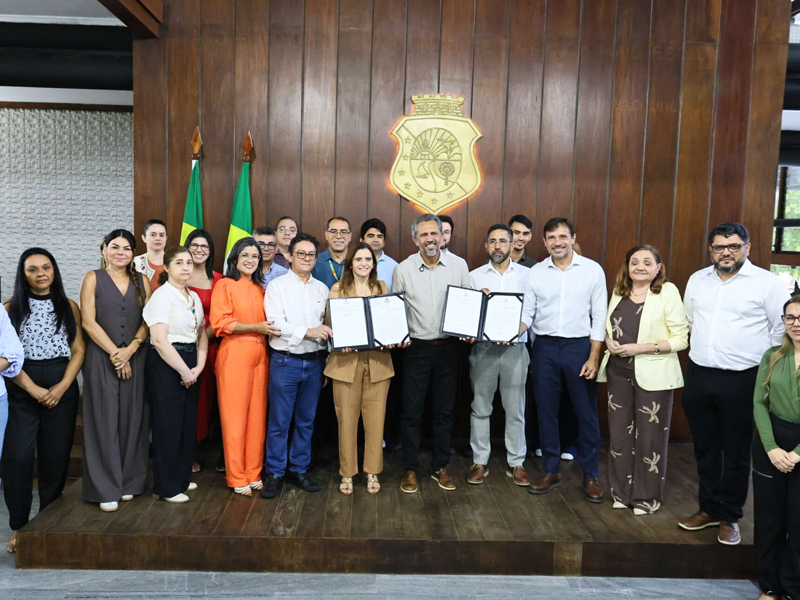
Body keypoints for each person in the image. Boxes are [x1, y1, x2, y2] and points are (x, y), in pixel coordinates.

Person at [679, 222, 787, 546]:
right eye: (719, 247)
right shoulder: (698, 280)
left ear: (747, 248)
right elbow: (690, 321)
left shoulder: (767, 284)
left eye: (734, 246)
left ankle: (730, 516)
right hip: (699, 375)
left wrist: (764, 374)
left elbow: (779, 331)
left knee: (737, 452)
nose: (726, 252)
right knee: (705, 448)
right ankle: (708, 509)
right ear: (711, 249)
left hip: (744, 379)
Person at [597, 245, 688, 515]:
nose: (640, 266)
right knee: (620, 436)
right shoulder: (618, 292)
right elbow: (608, 327)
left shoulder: (667, 292)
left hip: (654, 375)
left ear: (658, 268)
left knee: (650, 440)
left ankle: (646, 498)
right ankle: (621, 493)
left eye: (647, 262)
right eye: (634, 262)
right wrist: (608, 341)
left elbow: (681, 339)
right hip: (618, 372)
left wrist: (641, 348)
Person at [526, 217, 607, 502]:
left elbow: (600, 317)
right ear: (545, 241)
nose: (557, 242)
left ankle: (590, 474)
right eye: (551, 238)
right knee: (546, 411)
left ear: (572, 238)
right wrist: (507, 331)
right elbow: (527, 313)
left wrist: (595, 356)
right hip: (544, 348)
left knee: (586, 413)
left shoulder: (592, 271)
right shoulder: (536, 272)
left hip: (579, 348)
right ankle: (551, 470)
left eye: (562, 236)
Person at [392, 214, 470, 493]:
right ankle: (410, 468)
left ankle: (440, 466)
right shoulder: (403, 269)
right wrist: (396, 334)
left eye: (434, 234)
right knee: (411, 412)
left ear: (442, 236)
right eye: (423, 235)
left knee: (444, 411)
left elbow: (468, 303)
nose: (430, 239)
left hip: (449, 349)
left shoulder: (459, 266)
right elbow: (395, 310)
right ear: (415, 239)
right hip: (416, 350)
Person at [80, 229, 151, 512]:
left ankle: (130, 482)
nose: (121, 252)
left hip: (136, 357)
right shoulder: (92, 278)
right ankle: (104, 487)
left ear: (134, 253)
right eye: (115, 247)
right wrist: (115, 354)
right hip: (101, 359)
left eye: (127, 248)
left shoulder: (142, 280)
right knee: (104, 420)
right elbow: (88, 322)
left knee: (133, 419)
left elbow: (149, 321)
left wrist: (131, 350)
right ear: (104, 249)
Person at [261, 233, 330, 498]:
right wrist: (309, 331)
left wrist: (325, 362)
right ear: (289, 256)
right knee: (279, 421)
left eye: (311, 254)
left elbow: (326, 331)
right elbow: (276, 325)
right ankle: (275, 473)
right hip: (285, 362)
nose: (306, 258)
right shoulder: (276, 286)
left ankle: (299, 469)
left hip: (314, 364)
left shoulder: (322, 289)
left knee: (306, 422)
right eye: (300, 253)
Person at [324, 243, 396, 495]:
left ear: (374, 264)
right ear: (350, 263)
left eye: (368, 259)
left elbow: (390, 323)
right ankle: (347, 473)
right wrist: (339, 340)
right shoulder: (338, 289)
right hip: (345, 364)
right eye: (359, 259)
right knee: (346, 422)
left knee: (376, 422)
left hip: (378, 362)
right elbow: (330, 326)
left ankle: (372, 471)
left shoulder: (382, 288)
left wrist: (393, 336)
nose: (364, 263)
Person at [467, 224, 534, 487]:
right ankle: (479, 461)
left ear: (512, 244)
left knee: (515, 408)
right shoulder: (474, 277)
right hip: (483, 349)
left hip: (515, 349)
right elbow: (468, 313)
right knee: (480, 407)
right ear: (486, 246)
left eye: (503, 241)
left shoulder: (528, 275)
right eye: (492, 241)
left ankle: (516, 462)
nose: (498, 246)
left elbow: (529, 310)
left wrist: (515, 332)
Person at [143, 247, 208, 503]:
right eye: (179, 262)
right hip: (167, 364)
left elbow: (201, 333)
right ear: (166, 268)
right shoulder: (162, 296)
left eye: (189, 262)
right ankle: (166, 487)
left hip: (191, 361)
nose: (185, 267)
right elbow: (159, 340)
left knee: (185, 425)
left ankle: (180, 478)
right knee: (167, 426)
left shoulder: (193, 296)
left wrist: (198, 367)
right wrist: (184, 370)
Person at [210, 237, 274, 496]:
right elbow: (220, 323)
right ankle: (236, 476)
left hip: (262, 353)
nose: (251, 260)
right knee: (234, 418)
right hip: (235, 351)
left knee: (257, 417)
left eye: (255, 256)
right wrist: (255, 327)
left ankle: (253, 472)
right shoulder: (225, 285)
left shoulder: (261, 288)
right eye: (245, 254)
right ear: (235, 258)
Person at [751, 296, 800, 600]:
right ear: (783, 321)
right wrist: (770, 448)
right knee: (769, 520)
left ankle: (793, 588)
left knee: (798, 522)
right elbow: (759, 402)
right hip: (771, 443)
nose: (797, 324)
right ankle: (769, 587)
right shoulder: (772, 355)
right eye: (791, 317)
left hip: (798, 448)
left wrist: (796, 454)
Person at [185, 229, 223, 472]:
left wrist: (205, 338)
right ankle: (189, 452)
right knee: (193, 401)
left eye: (204, 247)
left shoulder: (220, 279)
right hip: (185, 347)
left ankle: (219, 452)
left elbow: (224, 314)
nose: (199, 250)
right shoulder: (179, 276)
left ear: (211, 252)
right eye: (194, 245)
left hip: (214, 347)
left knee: (215, 401)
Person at [312, 217, 352, 289]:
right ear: (326, 235)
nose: (338, 236)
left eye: (344, 232)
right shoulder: (314, 261)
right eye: (333, 231)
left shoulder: (357, 260)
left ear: (350, 236)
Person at [360, 218, 398, 293]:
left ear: (384, 242)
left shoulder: (394, 267)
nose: (375, 240)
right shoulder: (352, 264)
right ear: (361, 240)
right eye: (370, 236)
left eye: (380, 236)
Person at [133, 219, 168, 290]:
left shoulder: (174, 261)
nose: (158, 238)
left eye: (161, 235)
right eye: (153, 235)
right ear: (144, 238)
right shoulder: (135, 262)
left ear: (166, 238)